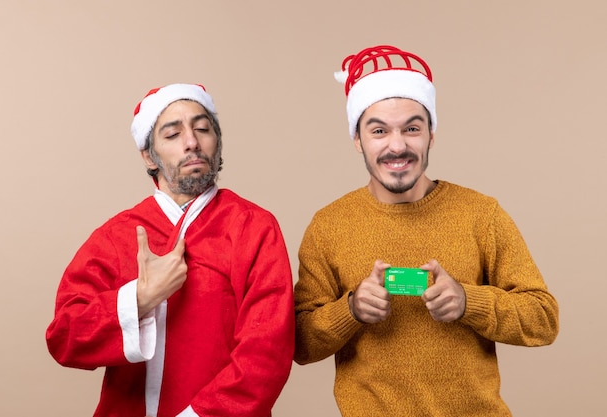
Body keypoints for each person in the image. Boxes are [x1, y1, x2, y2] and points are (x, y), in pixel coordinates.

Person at [294, 45, 559, 416]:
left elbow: (543, 320)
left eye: (412, 128)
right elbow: (300, 345)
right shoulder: (329, 226)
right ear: (358, 140)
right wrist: (350, 309)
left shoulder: (481, 214)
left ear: (431, 134)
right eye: (379, 130)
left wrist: (470, 302)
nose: (397, 145)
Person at [46, 83, 295, 417]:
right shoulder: (116, 236)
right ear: (149, 155)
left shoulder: (254, 227)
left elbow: (267, 351)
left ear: (216, 141)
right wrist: (141, 297)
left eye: (202, 129)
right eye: (173, 134)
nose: (192, 142)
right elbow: (65, 337)